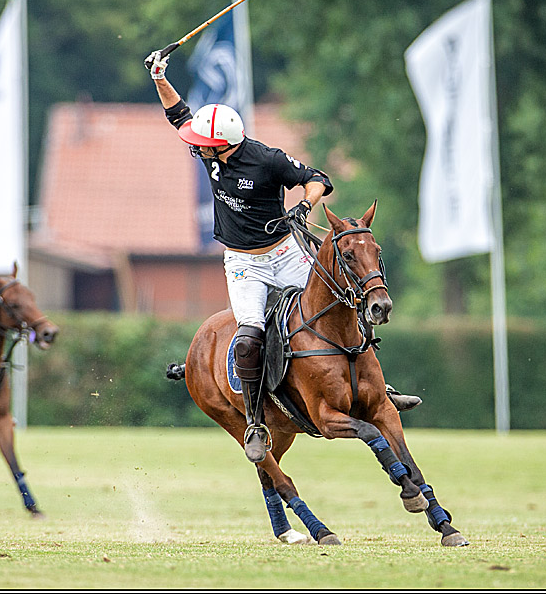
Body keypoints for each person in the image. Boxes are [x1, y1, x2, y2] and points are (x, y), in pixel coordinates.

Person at [145, 50, 421, 464]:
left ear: (223, 144)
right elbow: (180, 116)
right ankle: (256, 419)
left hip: (284, 253)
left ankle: (380, 388)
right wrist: (159, 76)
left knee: (343, 298)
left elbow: (317, 180)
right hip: (243, 264)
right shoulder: (211, 155)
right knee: (250, 335)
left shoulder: (266, 159)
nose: (196, 148)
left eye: (204, 145)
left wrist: (303, 206)